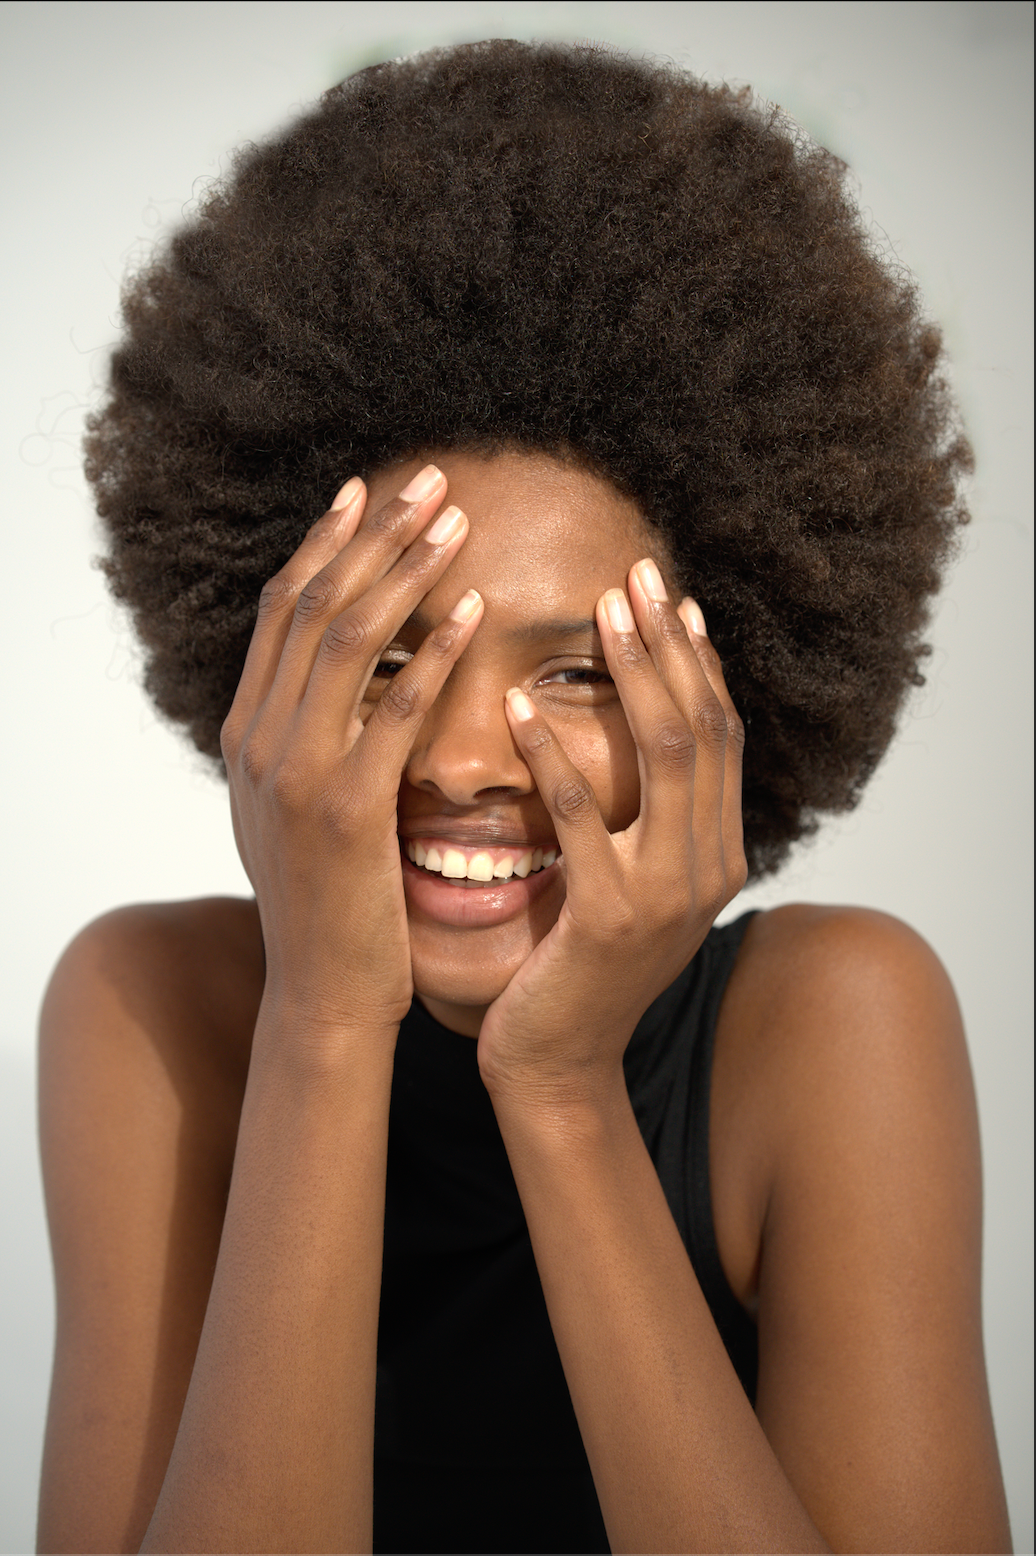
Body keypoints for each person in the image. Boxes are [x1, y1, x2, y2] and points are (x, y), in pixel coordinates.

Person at [35, 39, 1011, 1556]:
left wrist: (561, 1088)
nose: (464, 761)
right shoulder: (152, 1012)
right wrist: (324, 1022)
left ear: (726, 700)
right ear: (270, 659)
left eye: (579, 674)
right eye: (389, 655)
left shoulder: (835, 1025)